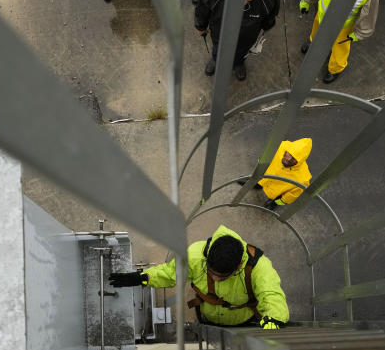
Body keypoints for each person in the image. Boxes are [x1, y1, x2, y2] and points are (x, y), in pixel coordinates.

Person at [109, 225, 288, 328]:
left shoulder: (258, 266)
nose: (216, 280)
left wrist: (274, 318)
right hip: (206, 317)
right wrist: (142, 277)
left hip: (241, 321)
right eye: (212, 273)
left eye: (223, 277)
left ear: (239, 265)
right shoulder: (195, 255)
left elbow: (271, 294)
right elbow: (171, 273)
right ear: (208, 257)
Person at [298, 0, 381, 83]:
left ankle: (336, 68)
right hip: (322, 14)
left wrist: (359, 33)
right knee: (316, 31)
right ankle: (313, 42)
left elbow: (370, 13)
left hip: (343, 26)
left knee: (339, 48)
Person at [194, 0, 279, 81]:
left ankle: (238, 63)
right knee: (218, 49)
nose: (243, 2)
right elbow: (202, 9)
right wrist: (200, 27)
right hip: (220, 35)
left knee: (241, 52)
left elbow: (271, 13)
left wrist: (267, 26)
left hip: (246, 38)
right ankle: (216, 59)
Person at [257, 138, 312, 210]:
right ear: (287, 150)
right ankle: (257, 184)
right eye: (290, 154)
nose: (289, 159)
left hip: (277, 194)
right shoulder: (279, 147)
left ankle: (273, 203)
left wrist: (278, 202)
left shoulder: (303, 179)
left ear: (300, 161)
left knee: (278, 201)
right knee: (259, 180)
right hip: (263, 178)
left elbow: (291, 196)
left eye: (294, 159)